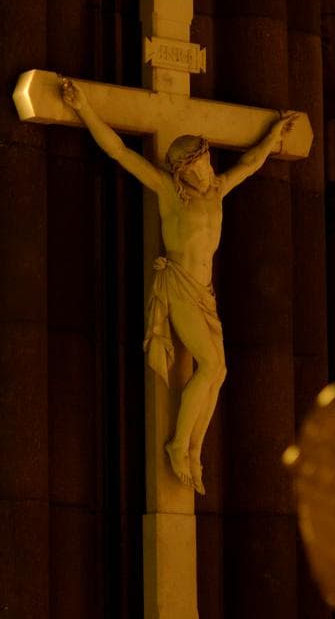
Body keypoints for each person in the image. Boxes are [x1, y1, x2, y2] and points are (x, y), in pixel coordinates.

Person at [62, 77, 300, 494]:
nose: (208, 171)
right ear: (182, 171)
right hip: (179, 285)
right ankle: (178, 444)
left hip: (204, 294)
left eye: (208, 163)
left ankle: (192, 449)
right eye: (199, 166)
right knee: (209, 365)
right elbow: (119, 152)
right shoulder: (169, 194)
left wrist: (274, 134)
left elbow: (249, 163)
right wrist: (84, 108)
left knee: (220, 370)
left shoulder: (217, 192)